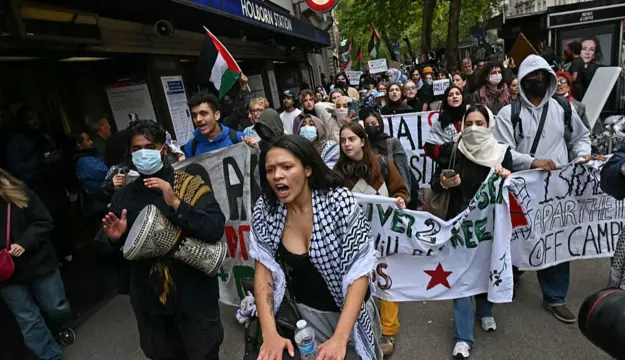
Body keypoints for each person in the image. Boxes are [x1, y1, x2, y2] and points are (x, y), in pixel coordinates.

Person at [99, 120, 227, 360]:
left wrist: (177, 204)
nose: (143, 153)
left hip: (194, 297)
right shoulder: (124, 196)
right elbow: (103, 247)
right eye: (137, 149)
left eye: (149, 146)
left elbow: (214, 228)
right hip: (151, 305)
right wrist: (115, 239)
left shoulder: (188, 184)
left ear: (163, 150)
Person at [249, 135, 383, 360]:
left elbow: (359, 274)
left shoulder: (339, 201)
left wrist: (340, 338)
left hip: (353, 312)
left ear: (308, 169)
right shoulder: (266, 209)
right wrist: (270, 333)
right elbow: (264, 271)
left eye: (286, 167)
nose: (277, 175)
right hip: (307, 318)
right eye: (270, 170)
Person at [493, 54, 592, 324]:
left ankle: (555, 297)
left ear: (549, 79)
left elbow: (581, 137)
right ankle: (510, 277)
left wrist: (582, 155)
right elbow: (501, 151)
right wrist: (532, 162)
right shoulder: (508, 114)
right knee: (517, 237)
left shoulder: (563, 108)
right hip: (522, 189)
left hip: (558, 189)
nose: (537, 80)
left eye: (542, 75)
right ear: (522, 81)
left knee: (556, 240)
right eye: (531, 76)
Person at [430, 105, 512, 359]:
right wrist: (444, 182)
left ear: (489, 124)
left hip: (490, 226)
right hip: (458, 223)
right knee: (462, 278)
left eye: (480, 122)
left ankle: (485, 311)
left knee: (487, 268)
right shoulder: (453, 150)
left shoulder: (502, 153)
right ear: (462, 125)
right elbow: (435, 182)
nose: (474, 128)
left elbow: (513, 186)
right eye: (469, 123)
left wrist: (506, 176)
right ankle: (463, 336)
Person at [332, 123, 405, 357]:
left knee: (386, 281)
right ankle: (363, 325)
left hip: (384, 236)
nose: (347, 144)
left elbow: (401, 190)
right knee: (360, 282)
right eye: (343, 140)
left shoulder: (383, 164)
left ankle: (389, 330)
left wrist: (400, 201)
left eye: (351, 139)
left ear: (363, 141)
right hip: (354, 238)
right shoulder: (337, 172)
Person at [0, 168, 75, 360]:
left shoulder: (20, 195)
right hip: (6, 274)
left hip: (38, 262)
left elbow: (45, 221)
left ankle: (60, 326)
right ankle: (50, 356)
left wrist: (25, 242)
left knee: (56, 307)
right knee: (27, 319)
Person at [4, 106, 73, 262]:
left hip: (54, 183)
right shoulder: (16, 142)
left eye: (37, 117)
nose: (35, 121)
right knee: (48, 219)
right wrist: (41, 161)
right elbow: (15, 168)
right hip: (36, 187)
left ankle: (68, 251)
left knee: (64, 216)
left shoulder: (43, 135)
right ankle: (57, 255)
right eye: (30, 118)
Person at [184, 91, 256, 158]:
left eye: (203, 113)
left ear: (217, 115)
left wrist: (255, 147)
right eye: (194, 115)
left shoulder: (238, 139)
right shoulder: (190, 147)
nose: (198, 119)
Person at [424, 86, 466, 162]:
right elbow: (429, 147)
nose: (455, 97)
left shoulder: (470, 116)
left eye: (457, 94)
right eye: (450, 95)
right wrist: (445, 153)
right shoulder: (440, 121)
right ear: (446, 99)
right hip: (448, 166)